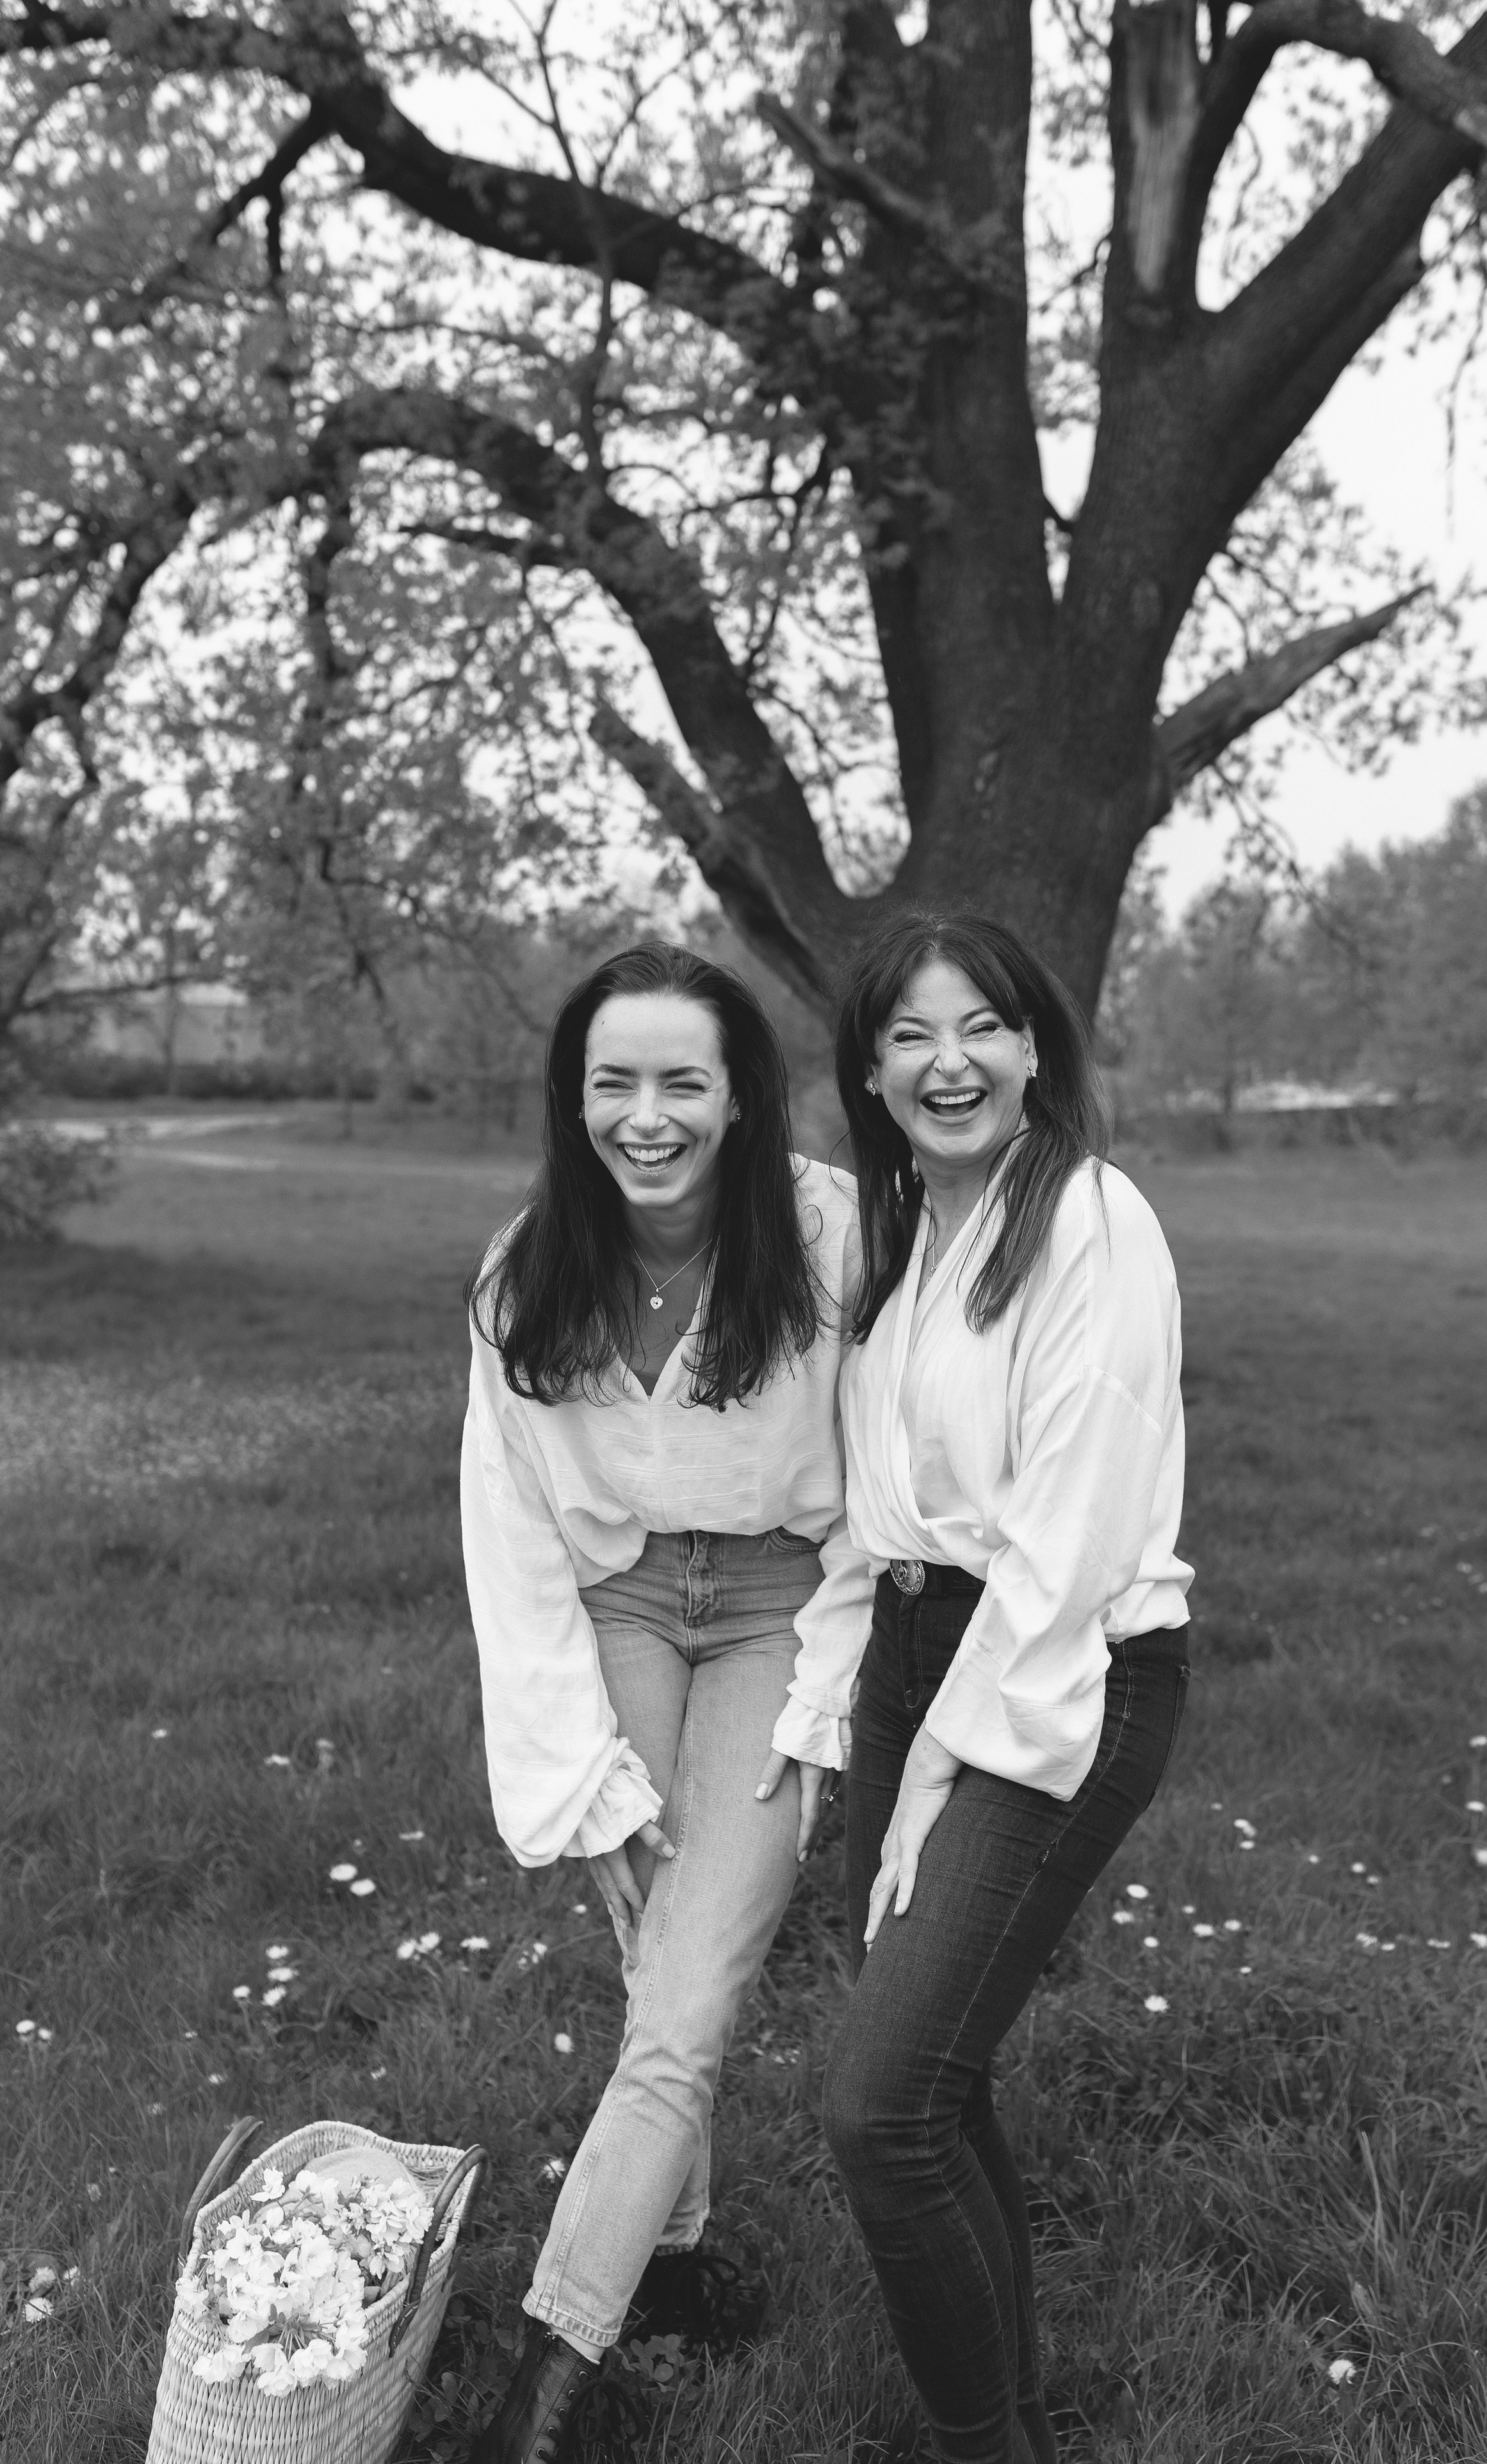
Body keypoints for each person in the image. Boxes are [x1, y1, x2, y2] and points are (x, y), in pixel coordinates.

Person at [784, 911, 1192, 2464]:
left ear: (1033, 1050)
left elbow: (1068, 1536)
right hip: (912, 1659)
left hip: (1056, 1668)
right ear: (871, 1073)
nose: (943, 1061)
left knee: (877, 2108)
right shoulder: (908, 1238)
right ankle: (1009, 2418)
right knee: (933, 2088)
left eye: (977, 1028)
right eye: (906, 1034)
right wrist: (840, 1717)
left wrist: (942, 1767)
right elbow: (869, 1511)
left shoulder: (1087, 1217)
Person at [460, 942, 870, 2464]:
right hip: (620, 1603)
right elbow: (508, 1534)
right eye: (612, 1081)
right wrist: (581, 1770)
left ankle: (536, 2392)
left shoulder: (831, 1235)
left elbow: (882, 1493)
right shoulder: (525, 1270)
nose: (647, 1114)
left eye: (680, 1079)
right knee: (655, 1963)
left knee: (685, 2001)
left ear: (740, 1096)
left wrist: (828, 1689)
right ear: (575, 1101)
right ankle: (677, 2264)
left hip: (778, 1600)